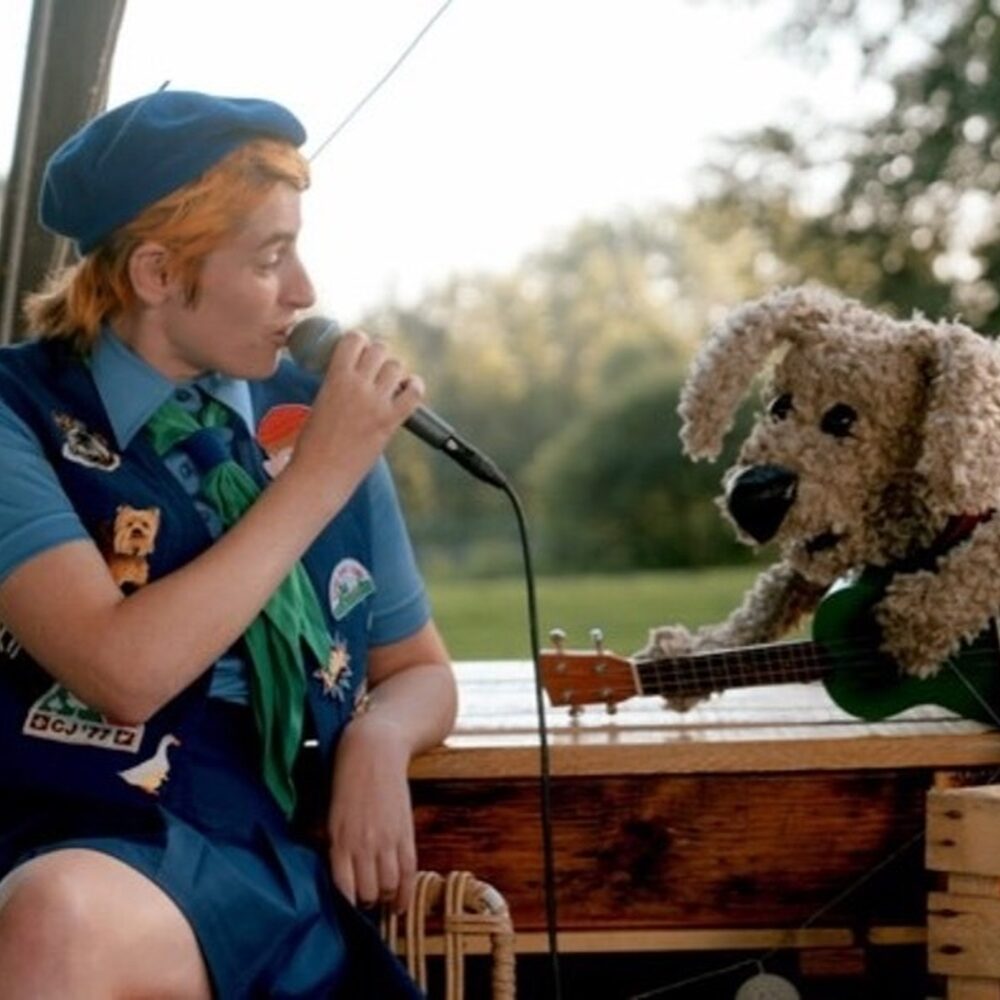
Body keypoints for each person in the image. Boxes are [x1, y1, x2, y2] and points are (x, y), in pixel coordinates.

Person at [0, 89, 457, 998]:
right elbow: (122, 671)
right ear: (159, 275)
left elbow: (420, 668)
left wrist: (378, 739)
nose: (305, 292)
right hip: (47, 817)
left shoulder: (313, 416)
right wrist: (321, 475)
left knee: (65, 918)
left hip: (251, 847)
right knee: (58, 913)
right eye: (269, 258)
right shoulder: (17, 414)